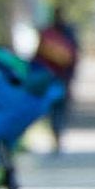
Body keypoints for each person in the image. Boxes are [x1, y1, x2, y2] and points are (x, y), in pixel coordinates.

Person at [32, 10, 80, 153]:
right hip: (59, 77)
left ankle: (57, 134)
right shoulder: (66, 35)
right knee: (58, 108)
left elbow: (37, 57)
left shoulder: (48, 35)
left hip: (51, 77)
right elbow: (74, 58)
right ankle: (58, 134)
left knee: (55, 108)